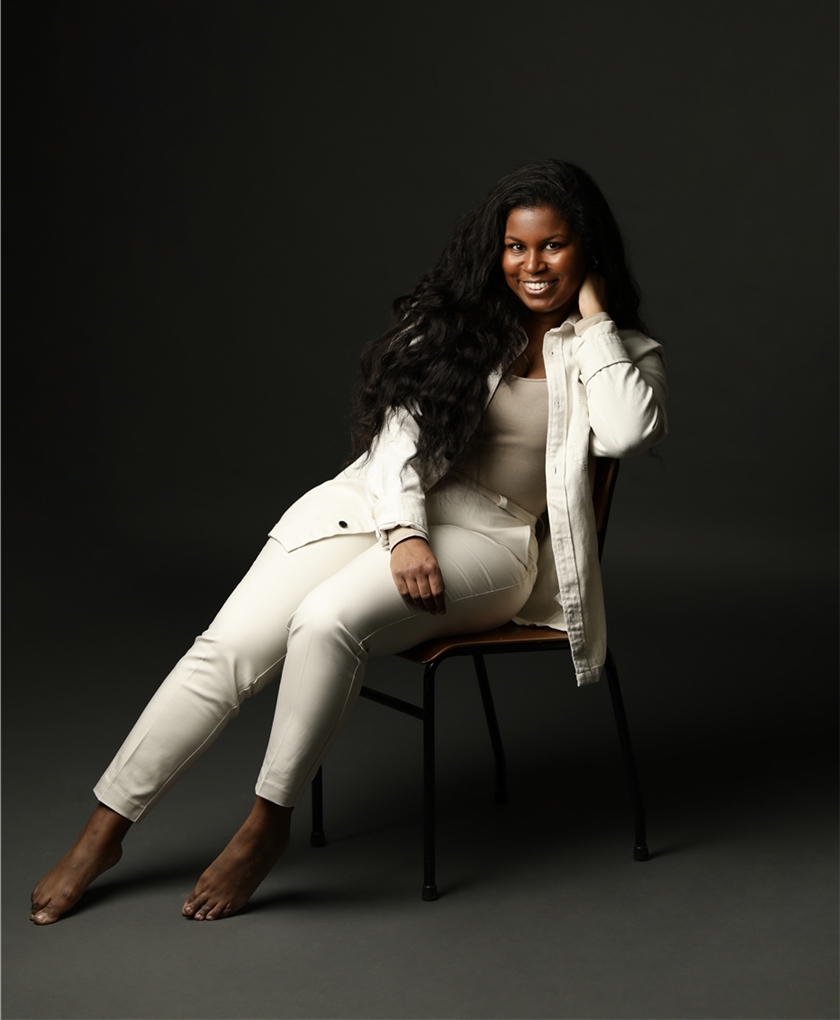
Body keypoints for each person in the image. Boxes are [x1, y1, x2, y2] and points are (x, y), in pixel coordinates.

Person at [30, 158, 667, 924]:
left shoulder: (621, 351)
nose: (532, 265)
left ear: (586, 250)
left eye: (554, 246)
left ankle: (268, 821)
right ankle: (104, 831)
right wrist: (404, 532)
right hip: (378, 507)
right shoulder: (458, 323)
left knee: (326, 619)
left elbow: (626, 431)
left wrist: (593, 322)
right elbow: (398, 437)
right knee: (226, 647)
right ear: (495, 250)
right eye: (515, 247)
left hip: (493, 543)